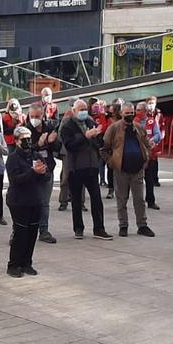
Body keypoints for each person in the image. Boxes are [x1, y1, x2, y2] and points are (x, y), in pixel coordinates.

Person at [59, 99, 112, 241]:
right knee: (76, 200)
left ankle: (99, 229)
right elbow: (69, 145)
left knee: (96, 198)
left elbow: (99, 144)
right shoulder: (67, 125)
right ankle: (78, 228)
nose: (83, 112)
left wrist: (97, 136)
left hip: (91, 166)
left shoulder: (90, 122)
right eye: (80, 109)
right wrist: (85, 136)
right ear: (74, 111)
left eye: (85, 109)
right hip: (75, 167)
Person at [103, 103, 155, 238]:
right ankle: (123, 225)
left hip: (137, 169)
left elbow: (147, 145)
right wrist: (112, 162)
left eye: (132, 113)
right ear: (121, 113)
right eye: (127, 113)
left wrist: (146, 159)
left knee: (139, 199)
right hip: (121, 169)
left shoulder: (139, 128)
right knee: (122, 199)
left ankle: (142, 225)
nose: (130, 115)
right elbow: (104, 148)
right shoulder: (114, 128)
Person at [5, 126, 50, 278]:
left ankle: (27, 263)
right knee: (20, 233)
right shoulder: (13, 158)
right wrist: (32, 172)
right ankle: (13, 265)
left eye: (29, 139)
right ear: (17, 141)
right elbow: (15, 180)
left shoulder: (36, 155)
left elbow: (46, 175)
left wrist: (42, 172)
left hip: (35, 199)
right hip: (19, 201)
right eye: (24, 139)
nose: (28, 142)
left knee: (32, 233)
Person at [25, 103, 58, 244]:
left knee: (44, 203)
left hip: (47, 169)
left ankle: (44, 230)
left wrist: (52, 142)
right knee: (28, 202)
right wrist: (38, 144)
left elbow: (58, 148)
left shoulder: (49, 127)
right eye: (32, 116)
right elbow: (24, 150)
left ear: (42, 115)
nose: (34, 119)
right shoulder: (25, 130)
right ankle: (21, 231)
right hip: (31, 171)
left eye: (37, 116)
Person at [138, 101, 162, 209]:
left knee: (149, 179)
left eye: (139, 110)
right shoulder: (134, 121)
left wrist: (151, 140)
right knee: (136, 180)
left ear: (145, 111)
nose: (137, 112)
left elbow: (158, 135)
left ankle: (151, 201)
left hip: (149, 155)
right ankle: (137, 201)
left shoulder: (152, 121)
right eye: (136, 110)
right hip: (137, 155)